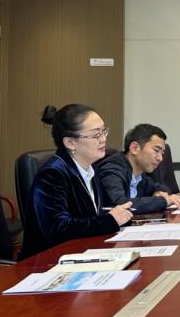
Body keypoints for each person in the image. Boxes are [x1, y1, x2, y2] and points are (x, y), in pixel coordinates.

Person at [20, 104, 133, 259]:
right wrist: (110, 220)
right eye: (95, 135)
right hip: (49, 262)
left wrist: (121, 215)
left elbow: (101, 211)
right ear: (70, 142)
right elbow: (58, 229)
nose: (103, 139)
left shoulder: (91, 169)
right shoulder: (52, 175)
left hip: (84, 253)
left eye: (103, 131)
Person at [97, 123, 180, 214]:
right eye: (156, 150)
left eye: (162, 153)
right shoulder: (112, 170)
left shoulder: (140, 175)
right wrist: (164, 201)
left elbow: (161, 187)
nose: (160, 158)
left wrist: (158, 192)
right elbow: (120, 204)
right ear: (134, 148)